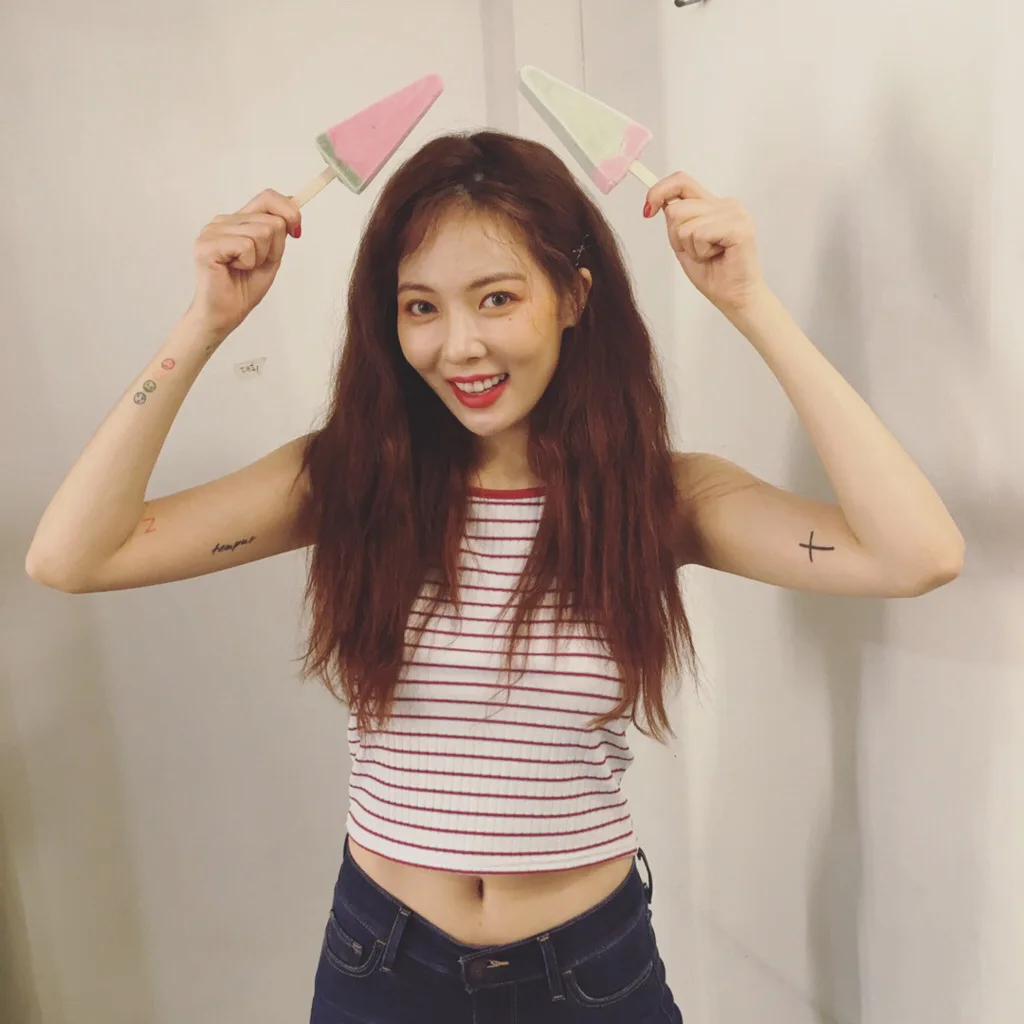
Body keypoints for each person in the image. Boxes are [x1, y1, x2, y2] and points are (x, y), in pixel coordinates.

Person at [25, 130, 964, 1023]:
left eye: (497, 298)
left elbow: (916, 554)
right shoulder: (344, 480)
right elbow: (72, 556)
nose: (459, 346)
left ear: (574, 297)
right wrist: (206, 321)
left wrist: (752, 303)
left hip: (589, 968)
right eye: (421, 307)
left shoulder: (662, 496)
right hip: (383, 964)